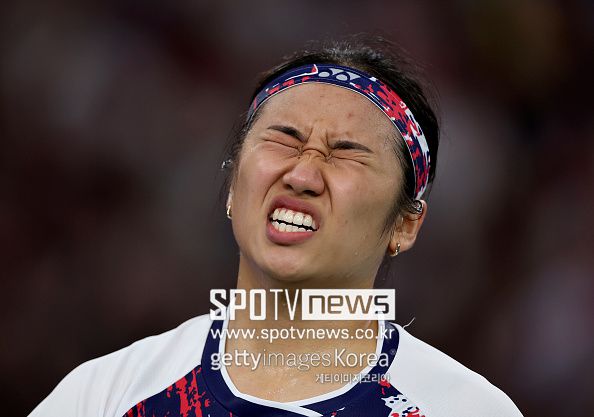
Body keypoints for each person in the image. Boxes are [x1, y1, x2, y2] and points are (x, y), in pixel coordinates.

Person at [29, 37, 523, 417]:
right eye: (284, 140)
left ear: (405, 224)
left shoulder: (462, 408)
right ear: (232, 186)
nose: (303, 175)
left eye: (346, 153)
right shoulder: (106, 395)